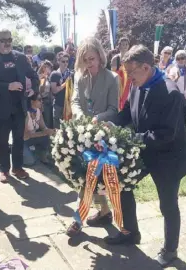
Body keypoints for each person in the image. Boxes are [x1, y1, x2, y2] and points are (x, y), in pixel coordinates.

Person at [112, 45, 186, 267]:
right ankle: (131, 232)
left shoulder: (171, 93)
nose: (128, 78)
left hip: (169, 158)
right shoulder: (138, 84)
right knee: (122, 184)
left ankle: (170, 250)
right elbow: (128, 110)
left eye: (131, 72)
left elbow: (166, 135)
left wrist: (132, 139)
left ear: (146, 67)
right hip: (146, 152)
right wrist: (110, 123)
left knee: (167, 204)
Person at [66, 36, 119, 237]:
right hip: (82, 131)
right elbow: (76, 101)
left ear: (100, 56)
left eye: (92, 58)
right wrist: (80, 117)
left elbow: (114, 109)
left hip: (103, 133)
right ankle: (105, 212)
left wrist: (97, 119)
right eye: (85, 59)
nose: (89, 63)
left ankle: (77, 221)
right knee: (88, 177)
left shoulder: (112, 78)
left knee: (89, 177)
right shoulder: (79, 77)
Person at [0, 29, 39, 183]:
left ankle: (17, 168)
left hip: (19, 106)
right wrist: (8, 86)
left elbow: (34, 76)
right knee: (3, 141)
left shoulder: (20, 57)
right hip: (1, 107)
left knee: (19, 139)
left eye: (9, 40)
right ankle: (4, 170)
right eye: (3, 40)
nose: (7, 43)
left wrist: (33, 88)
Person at [23, 92, 55, 166]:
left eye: (42, 99)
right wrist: (44, 133)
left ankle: (42, 155)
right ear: (31, 101)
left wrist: (50, 131)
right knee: (29, 162)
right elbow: (25, 135)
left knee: (47, 137)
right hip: (22, 140)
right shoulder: (26, 114)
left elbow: (43, 127)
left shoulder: (38, 111)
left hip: (31, 138)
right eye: (39, 99)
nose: (42, 101)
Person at [166, 50, 186, 124]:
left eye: (182, 58)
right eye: (178, 58)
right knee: (174, 116)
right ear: (176, 60)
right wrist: (176, 77)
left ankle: (182, 133)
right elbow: (170, 83)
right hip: (175, 96)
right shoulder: (172, 69)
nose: (180, 60)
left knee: (184, 116)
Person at [50, 51, 74, 128]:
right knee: (57, 129)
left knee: (69, 129)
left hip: (69, 105)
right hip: (58, 105)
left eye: (67, 61)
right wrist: (65, 84)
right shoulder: (54, 74)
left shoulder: (71, 73)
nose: (65, 63)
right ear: (58, 61)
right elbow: (54, 90)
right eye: (63, 61)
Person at [111, 37, 131, 111]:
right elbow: (112, 74)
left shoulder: (131, 58)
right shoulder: (115, 59)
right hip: (118, 85)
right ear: (119, 46)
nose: (125, 46)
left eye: (126, 44)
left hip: (129, 85)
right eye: (123, 44)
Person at [38, 60, 54, 128]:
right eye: (46, 67)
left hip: (50, 101)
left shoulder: (50, 76)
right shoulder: (41, 77)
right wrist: (44, 79)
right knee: (47, 122)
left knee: (51, 120)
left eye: (49, 67)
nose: (48, 69)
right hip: (44, 101)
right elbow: (41, 90)